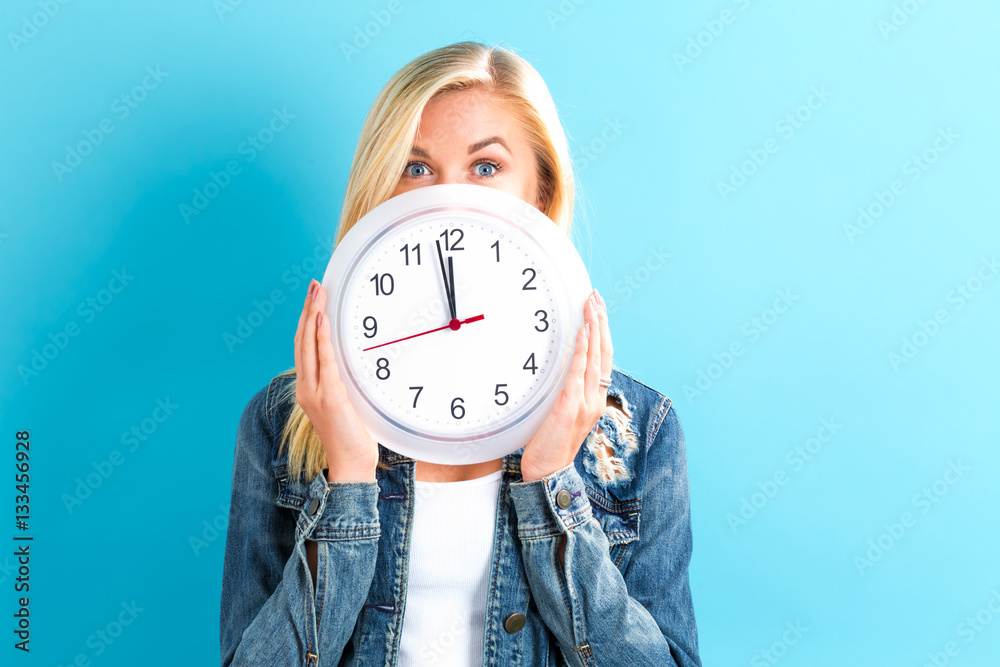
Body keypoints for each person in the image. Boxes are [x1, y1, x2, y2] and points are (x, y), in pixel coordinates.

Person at [220, 41, 700, 667]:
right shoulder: (283, 422)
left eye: (485, 167)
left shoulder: (638, 431)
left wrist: (550, 484)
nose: (446, 201)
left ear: (538, 191)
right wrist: (349, 480)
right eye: (416, 168)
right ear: (379, 188)